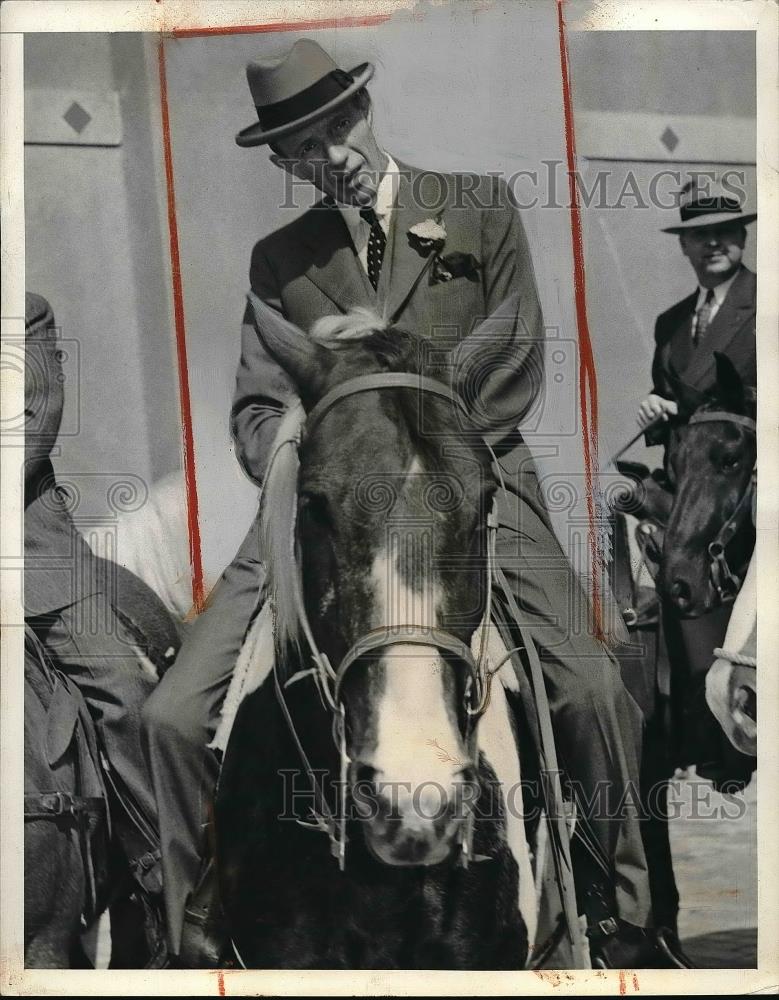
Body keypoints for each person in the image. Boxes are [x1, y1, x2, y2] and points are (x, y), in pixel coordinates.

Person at [142, 39, 684, 968]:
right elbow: (255, 405)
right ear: (284, 164)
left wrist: (409, 425)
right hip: (333, 497)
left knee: (589, 686)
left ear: (364, 109)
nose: (333, 153)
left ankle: (613, 908)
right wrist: (299, 444)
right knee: (170, 714)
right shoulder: (280, 262)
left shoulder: (478, 209)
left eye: (339, 125)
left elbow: (513, 363)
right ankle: (197, 923)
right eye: (305, 148)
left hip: (470, 485)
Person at [24, 292, 167, 956]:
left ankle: (163, 872)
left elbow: (31, 416)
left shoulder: (21, 310)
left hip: (28, 558)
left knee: (126, 693)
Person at [637, 178, 757, 446]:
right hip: (686, 471)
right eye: (700, 233)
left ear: (743, 237)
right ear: (683, 245)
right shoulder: (669, 323)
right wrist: (656, 407)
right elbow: (673, 397)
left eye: (724, 230)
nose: (713, 242)